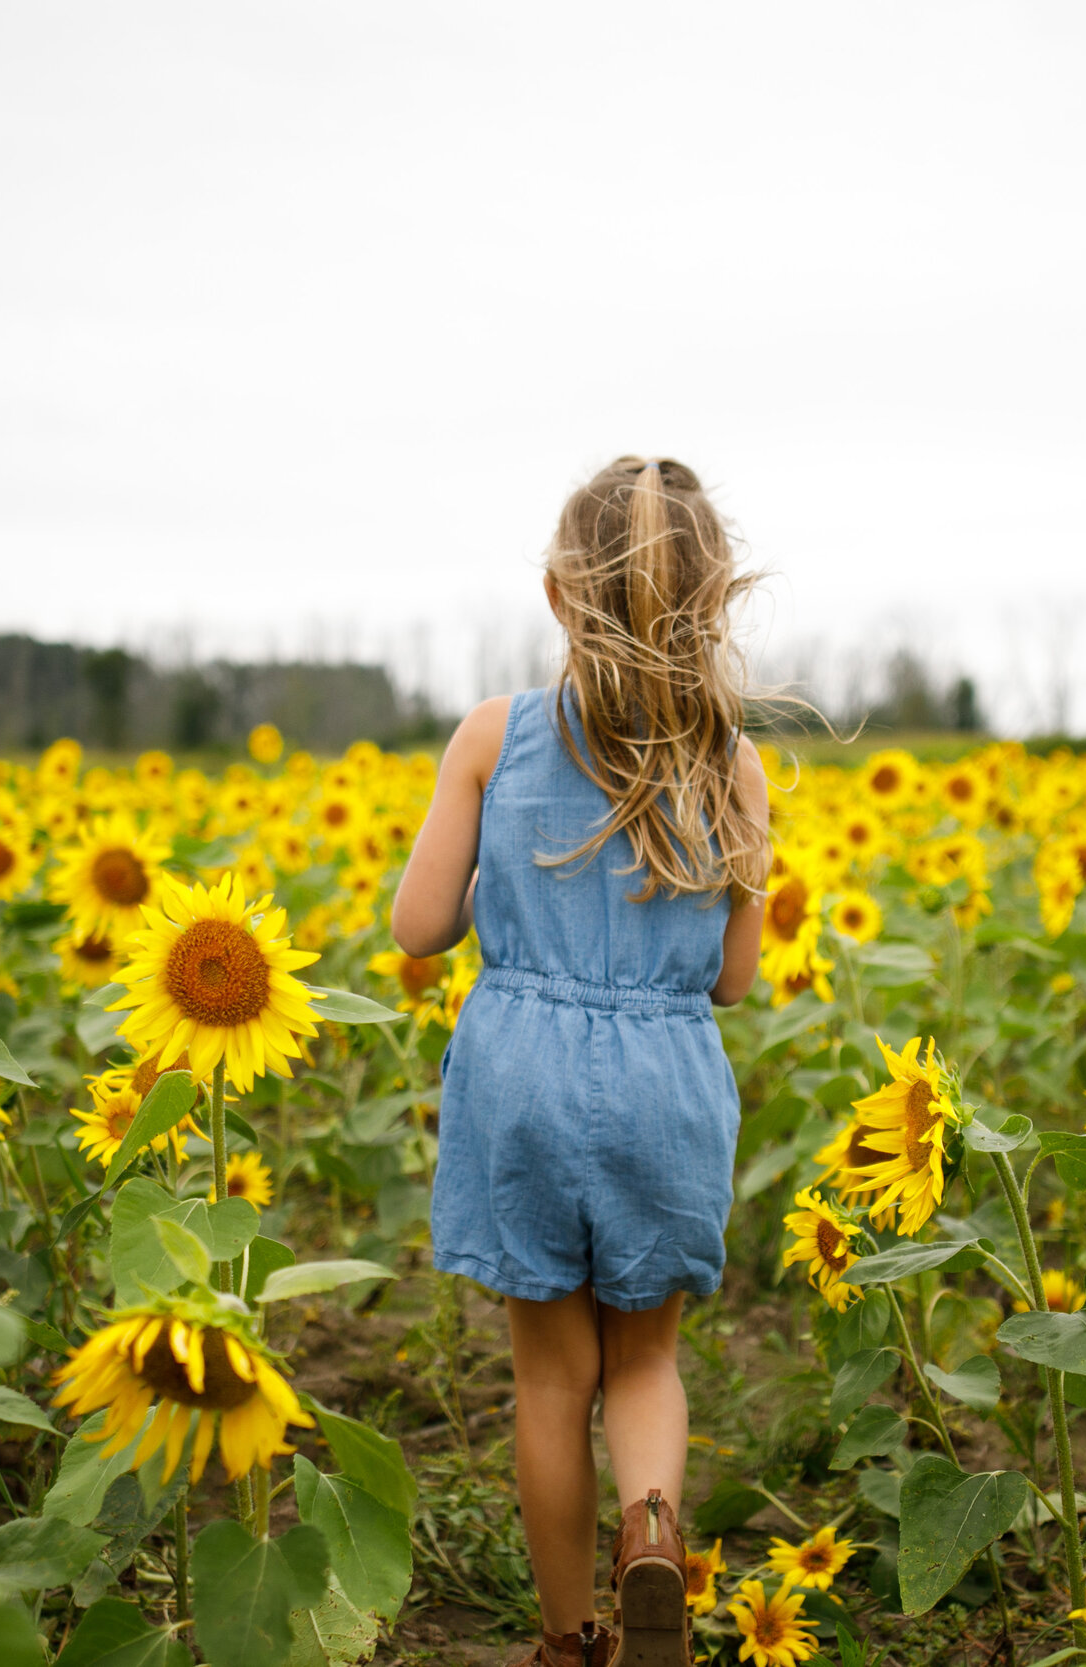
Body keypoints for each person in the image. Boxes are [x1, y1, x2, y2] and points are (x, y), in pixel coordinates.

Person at [390, 456, 770, 1667]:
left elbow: (416, 926)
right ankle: (651, 1528)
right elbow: (731, 979)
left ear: (561, 593)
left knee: (552, 1381)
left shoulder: (494, 735)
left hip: (519, 1079)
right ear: (712, 600)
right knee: (644, 1354)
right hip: (664, 1083)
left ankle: (569, 1640)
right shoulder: (736, 764)